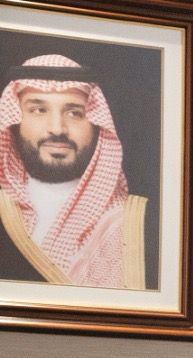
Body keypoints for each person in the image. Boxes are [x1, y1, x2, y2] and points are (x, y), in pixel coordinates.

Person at [0, 53, 152, 288]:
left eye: (74, 113)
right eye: (38, 110)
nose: (57, 129)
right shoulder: (5, 211)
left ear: (96, 124)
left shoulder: (136, 221)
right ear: (14, 121)